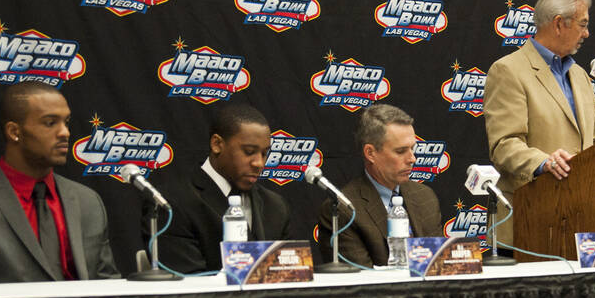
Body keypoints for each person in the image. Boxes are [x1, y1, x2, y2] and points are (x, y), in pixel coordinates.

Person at [0, 80, 119, 284]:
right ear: (14, 132)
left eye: (66, 122)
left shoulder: (88, 202)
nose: (65, 132)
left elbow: (107, 289)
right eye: (50, 123)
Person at [483, 0, 595, 233]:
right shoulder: (509, 70)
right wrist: (544, 162)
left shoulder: (580, 75)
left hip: (578, 219)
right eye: (583, 24)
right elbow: (504, 145)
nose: (587, 34)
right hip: (528, 220)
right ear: (559, 23)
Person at [144, 102, 296, 273]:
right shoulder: (171, 204)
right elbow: (185, 283)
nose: (259, 163)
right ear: (217, 144)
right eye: (248, 151)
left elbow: (287, 276)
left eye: (264, 153)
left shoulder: (276, 206)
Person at [317, 103, 441, 267]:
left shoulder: (425, 197)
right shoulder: (344, 210)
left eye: (412, 149)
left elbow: (438, 266)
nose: (412, 159)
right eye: (401, 151)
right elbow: (360, 283)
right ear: (370, 153)